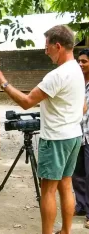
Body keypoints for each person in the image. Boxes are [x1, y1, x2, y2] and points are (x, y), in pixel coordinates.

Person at [0, 25, 85, 234]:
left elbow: (26, 102)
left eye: (47, 46)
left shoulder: (57, 75)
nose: (45, 51)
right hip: (73, 136)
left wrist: (2, 82)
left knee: (48, 190)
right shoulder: (77, 69)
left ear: (57, 46)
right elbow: (82, 105)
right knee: (66, 185)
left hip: (56, 138)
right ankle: (66, 231)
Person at [72, 48, 89, 228]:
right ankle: (81, 205)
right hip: (76, 134)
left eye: (84, 61)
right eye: (79, 61)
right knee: (77, 174)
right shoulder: (77, 83)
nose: (80, 64)